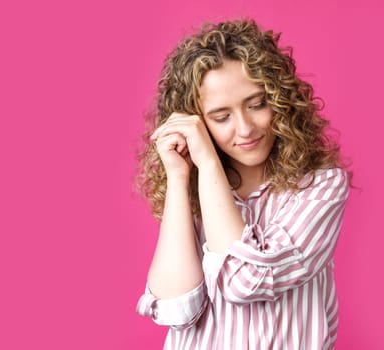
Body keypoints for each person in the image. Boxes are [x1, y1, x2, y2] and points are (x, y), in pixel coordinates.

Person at [135, 18, 352, 350]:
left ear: (281, 100)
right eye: (221, 117)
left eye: (257, 104)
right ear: (197, 121)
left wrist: (208, 162)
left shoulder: (320, 186)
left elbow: (246, 281)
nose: (246, 129)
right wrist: (180, 179)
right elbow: (176, 309)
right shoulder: (193, 197)